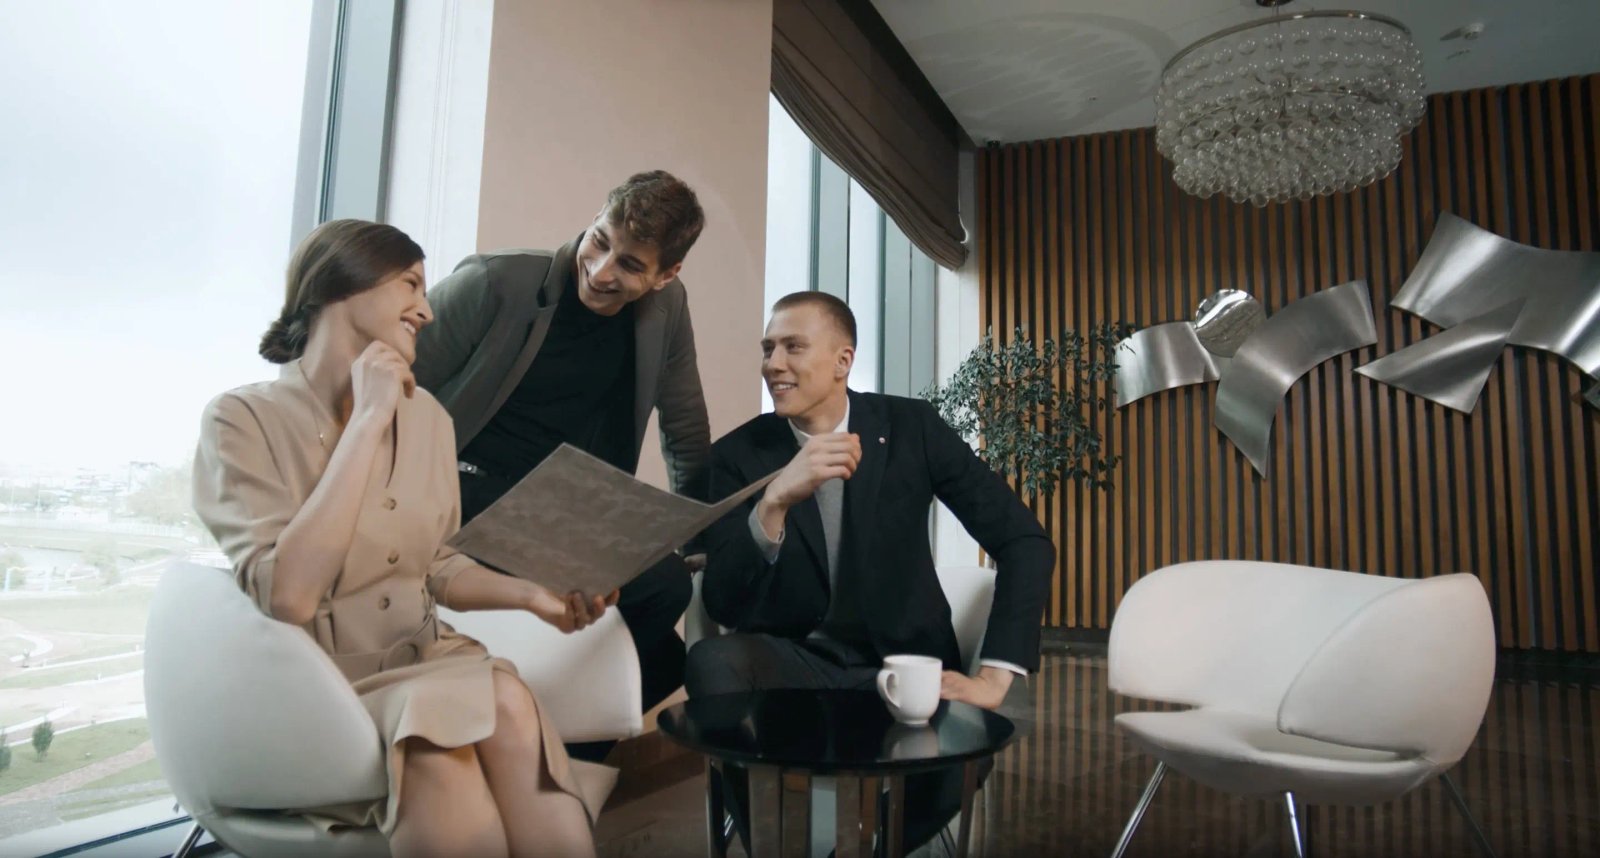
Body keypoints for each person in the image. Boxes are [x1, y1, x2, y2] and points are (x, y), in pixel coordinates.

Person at [193, 219, 613, 858]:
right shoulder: (241, 419)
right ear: (341, 283)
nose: (427, 309)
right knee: (440, 751)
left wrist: (533, 597)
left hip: (429, 658)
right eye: (411, 284)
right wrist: (368, 418)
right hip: (321, 685)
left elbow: (436, 562)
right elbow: (290, 596)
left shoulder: (430, 420)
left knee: (508, 699)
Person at [687, 291, 1055, 851]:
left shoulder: (911, 427)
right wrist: (773, 503)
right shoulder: (739, 454)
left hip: (904, 664)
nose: (773, 364)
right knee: (712, 661)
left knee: (968, 747)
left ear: (843, 361)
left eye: (792, 347)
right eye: (767, 349)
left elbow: (1023, 540)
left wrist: (994, 678)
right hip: (795, 664)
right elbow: (722, 603)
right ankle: (774, 844)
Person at [413, 171, 708, 738]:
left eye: (630, 264)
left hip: (559, 506)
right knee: (661, 590)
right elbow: (392, 376)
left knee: (670, 649)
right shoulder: (495, 281)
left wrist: (696, 539)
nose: (601, 271)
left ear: (666, 274)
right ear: (594, 218)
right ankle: (533, 754)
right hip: (463, 487)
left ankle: (541, 750)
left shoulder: (668, 309)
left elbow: (686, 426)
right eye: (599, 241)